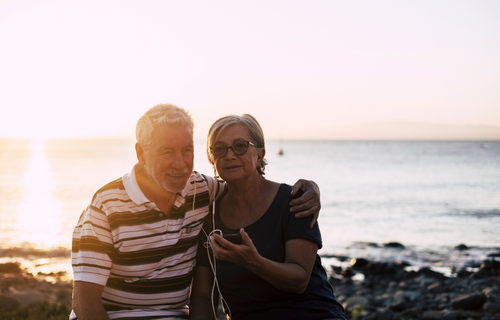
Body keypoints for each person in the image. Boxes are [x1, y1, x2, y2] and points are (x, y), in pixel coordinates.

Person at [70, 104, 322, 320]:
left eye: (186, 150)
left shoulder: (201, 192)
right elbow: (84, 302)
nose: (180, 164)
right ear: (141, 153)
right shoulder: (105, 207)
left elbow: (246, 187)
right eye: (166, 151)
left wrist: (311, 188)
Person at [190, 114, 346, 320]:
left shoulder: (295, 201)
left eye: (240, 146)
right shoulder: (207, 218)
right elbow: (202, 295)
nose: (229, 155)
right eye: (219, 149)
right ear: (212, 158)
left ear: (260, 154)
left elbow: (299, 281)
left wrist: (253, 261)